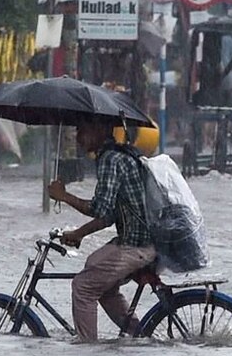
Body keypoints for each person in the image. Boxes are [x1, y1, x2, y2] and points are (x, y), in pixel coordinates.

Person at [47, 119, 156, 342]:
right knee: (101, 283)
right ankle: (141, 337)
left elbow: (99, 208)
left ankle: (87, 348)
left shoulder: (110, 159)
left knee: (83, 286)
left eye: (82, 130)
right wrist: (79, 233)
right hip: (145, 242)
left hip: (136, 245)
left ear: (100, 129)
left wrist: (63, 196)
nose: (78, 137)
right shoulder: (120, 155)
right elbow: (110, 216)